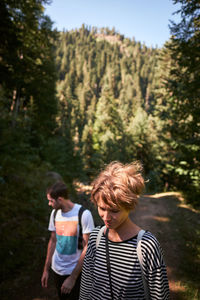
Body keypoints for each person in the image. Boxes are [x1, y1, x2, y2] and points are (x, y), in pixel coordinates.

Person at [79, 161, 170, 300]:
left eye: (114, 211)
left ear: (129, 206)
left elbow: (160, 295)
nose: (106, 217)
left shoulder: (147, 246)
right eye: (102, 208)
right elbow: (86, 286)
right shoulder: (95, 238)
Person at [41, 181, 94, 300]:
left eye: (51, 201)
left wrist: (73, 278)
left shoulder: (83, 214)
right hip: (57, 270)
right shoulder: (54, 214)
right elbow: (53, 241)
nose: (49, 204)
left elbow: (87, 248)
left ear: (60, 199)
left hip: (75, 272)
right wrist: (46, 270)